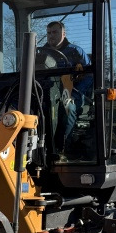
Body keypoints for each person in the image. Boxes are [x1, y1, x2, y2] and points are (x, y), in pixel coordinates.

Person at [43, 21, 92, 156]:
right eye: (48, 33)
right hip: (46, 94)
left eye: (55, 32)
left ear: (63, 34)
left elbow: (89, 75)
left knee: (68, 108)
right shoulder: (42, 53)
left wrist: (75, 96)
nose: (51, 36)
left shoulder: (75, 51)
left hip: (70, 94)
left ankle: (62, 149)